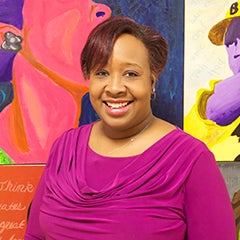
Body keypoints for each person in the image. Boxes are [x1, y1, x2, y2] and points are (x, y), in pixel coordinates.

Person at [24, 16, 236, 239]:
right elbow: (35, 236)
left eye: (131, 74)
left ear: (152, 81)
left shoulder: (191, 159)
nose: (114, 88)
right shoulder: (64, 149)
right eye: (102, 73)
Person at [185, 1, 240, 161]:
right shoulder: (211, 98)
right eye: (230, 40)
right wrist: (210, 108)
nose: (235, 49)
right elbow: (183, 143)